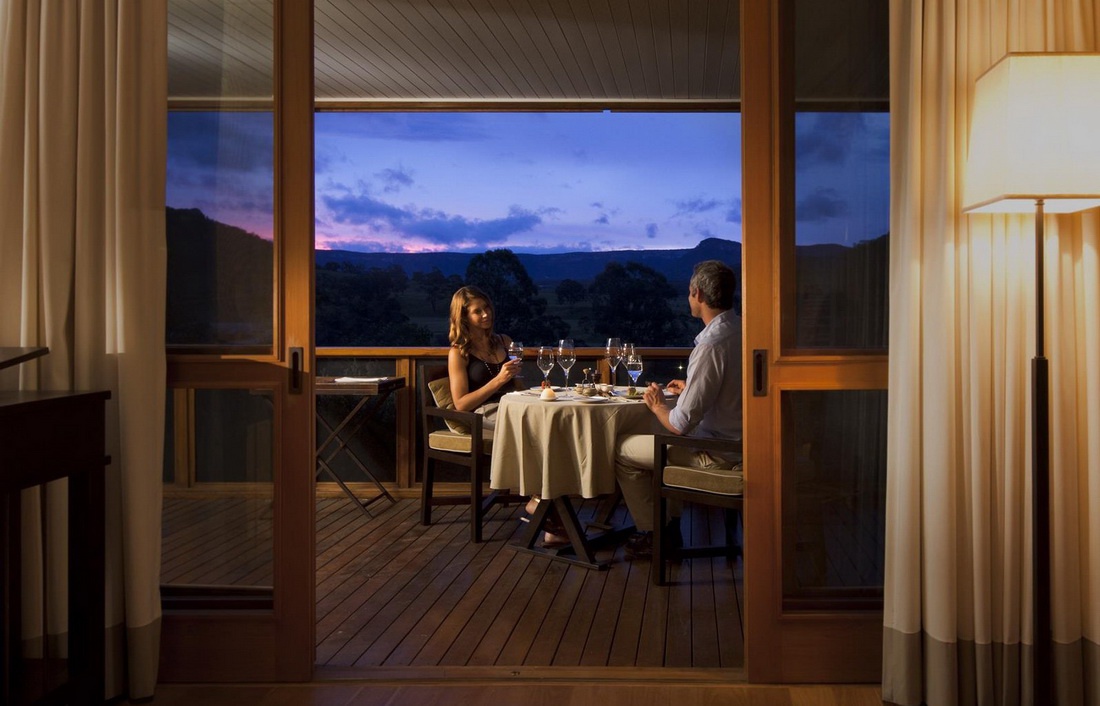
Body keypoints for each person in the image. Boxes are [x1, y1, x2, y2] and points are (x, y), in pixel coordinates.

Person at [614, 260, 743, 559]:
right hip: (744, 446)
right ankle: (668, 528)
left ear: (698, 294)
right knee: (659, 442)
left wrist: (658, 405)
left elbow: (680, 424)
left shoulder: (711, 345)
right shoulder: (743, 330)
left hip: (720, 454)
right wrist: (692, 388)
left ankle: (655, 534)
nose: (688, 298)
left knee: (623, 449)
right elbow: (732, 390)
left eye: (689, 292)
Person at [446, 285, 522, 426]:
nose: (486, 314)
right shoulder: (458, 353)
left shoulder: (505, 341)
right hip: (483, 412)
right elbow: (461, 404)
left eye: (487, 308)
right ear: (464, 317)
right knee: (527, 424)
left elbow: (518, 386)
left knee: (546, 417)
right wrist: (499, 380)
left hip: (512, 406)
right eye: (477, 311)